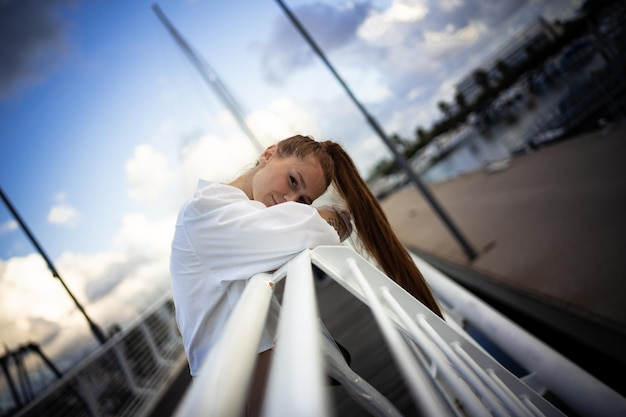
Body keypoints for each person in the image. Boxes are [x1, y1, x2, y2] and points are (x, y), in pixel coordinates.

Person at [169, 135, 443, 401]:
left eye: (303, 202)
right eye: (292, 180)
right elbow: (310, 229)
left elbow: (302, 228)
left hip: (254, 379)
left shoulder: (238, 213)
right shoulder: (205, 213)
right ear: (268, 154)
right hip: (226, 391)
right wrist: (328, 216)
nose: (290, 200)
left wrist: (320, 219)